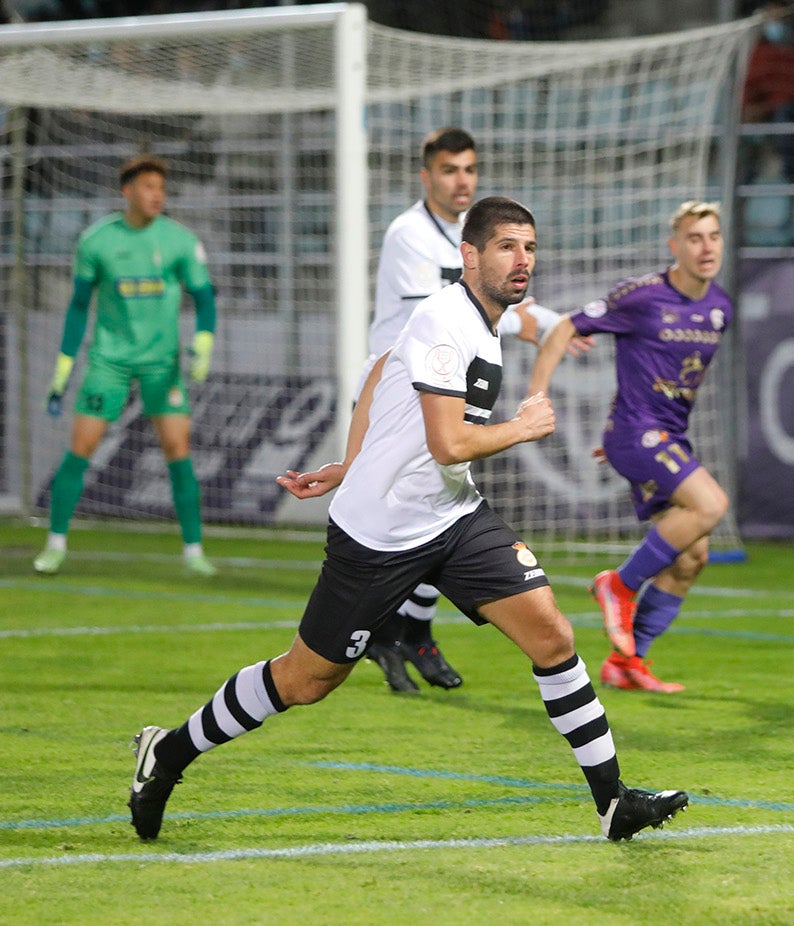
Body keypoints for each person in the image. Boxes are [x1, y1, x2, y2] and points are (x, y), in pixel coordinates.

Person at [126, 196, 689, 844]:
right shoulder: (444, 321)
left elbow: (380, 386)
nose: (523, 259)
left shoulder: (488, 319)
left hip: (453, 513)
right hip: (381, 535)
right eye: (507, 246)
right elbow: (450, 443)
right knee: (305, 680)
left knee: (554, 637)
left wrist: (351, 460)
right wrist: (522, 427)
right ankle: (165, 755)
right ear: (469, 255)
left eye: (530, 247)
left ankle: (612, 803)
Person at [363, 126, 591, 694]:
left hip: (449, 387)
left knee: (439, 510)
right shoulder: (409, 235)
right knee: (408, 523)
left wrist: (547, 329)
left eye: (469, 169)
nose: (461, 180)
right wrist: (526, 321)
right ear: (427, 176)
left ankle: (404, 632)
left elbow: (503, 310)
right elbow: (441, 315)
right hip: (401, 394)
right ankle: (384, 631)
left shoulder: (482, 241)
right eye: (448, 170)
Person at [526, 202, 732, 694]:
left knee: (691, 556)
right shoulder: (643, 296)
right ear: (675, 246)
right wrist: (535, 398)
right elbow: (564, 329)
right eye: (695, 238)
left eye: (713, 237)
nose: (706, 247)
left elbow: (657, 373)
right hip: (640, 434)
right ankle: (617, 585)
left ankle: (628, 662)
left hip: (658, 437)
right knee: (712, 504)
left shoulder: (720, 307)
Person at [34, 154, 218, 578]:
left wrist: (203, 342)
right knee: (81, 448)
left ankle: (193, 550)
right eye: (149, 187)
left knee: (177, 449)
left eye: (161, 188)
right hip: (110, 361)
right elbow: (79, 307)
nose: (158, 195)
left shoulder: (179, 241)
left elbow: (206, 299)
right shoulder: (96, 241)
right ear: (127, 191)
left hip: (162, 364)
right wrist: (64, 365)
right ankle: (55, 544)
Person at [740, 0, 794, 181]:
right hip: (767, 110)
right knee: (739, 129)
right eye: (771, 14)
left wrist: (766, 107)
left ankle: (792, 180)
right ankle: (743, 187)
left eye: (779, 14)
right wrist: (749, 107)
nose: (775, 19)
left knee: (786, 115)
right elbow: (750, 84)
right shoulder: (761, 47)